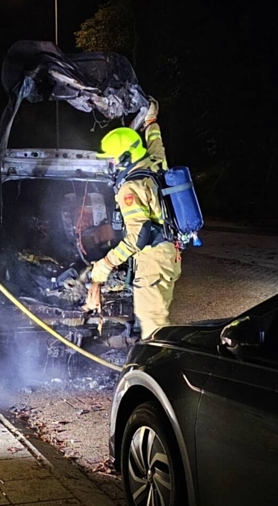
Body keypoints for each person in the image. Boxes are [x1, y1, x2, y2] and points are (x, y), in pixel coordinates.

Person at [86, 99, 181, 339]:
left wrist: (103, 268)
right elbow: (156, 143)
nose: (111, 164)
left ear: (125, 158)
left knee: (154, 330)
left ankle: (157, 371)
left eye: (112, 159)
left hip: (152, 260)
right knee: (157, 317)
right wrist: (151, 120)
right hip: (168, 255)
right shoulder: (155, 164)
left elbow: (138, 237)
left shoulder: (130, 187)